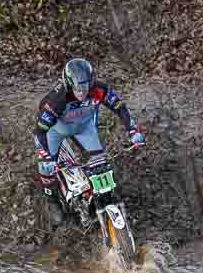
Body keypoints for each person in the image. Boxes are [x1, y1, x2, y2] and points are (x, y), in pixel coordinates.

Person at [33, 58, 145, 223]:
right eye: (78, 89)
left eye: (86, 88)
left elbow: (120, 107)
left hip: (84, 128)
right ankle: (52, 200)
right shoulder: (56, 100)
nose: (82, 93)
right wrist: (46, 157)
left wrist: (133, 130)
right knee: (46, 169)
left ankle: (103, 196)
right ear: (68, 84)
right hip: (54, 131)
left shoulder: (99, 89)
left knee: (100, 163)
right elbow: (40, 131)